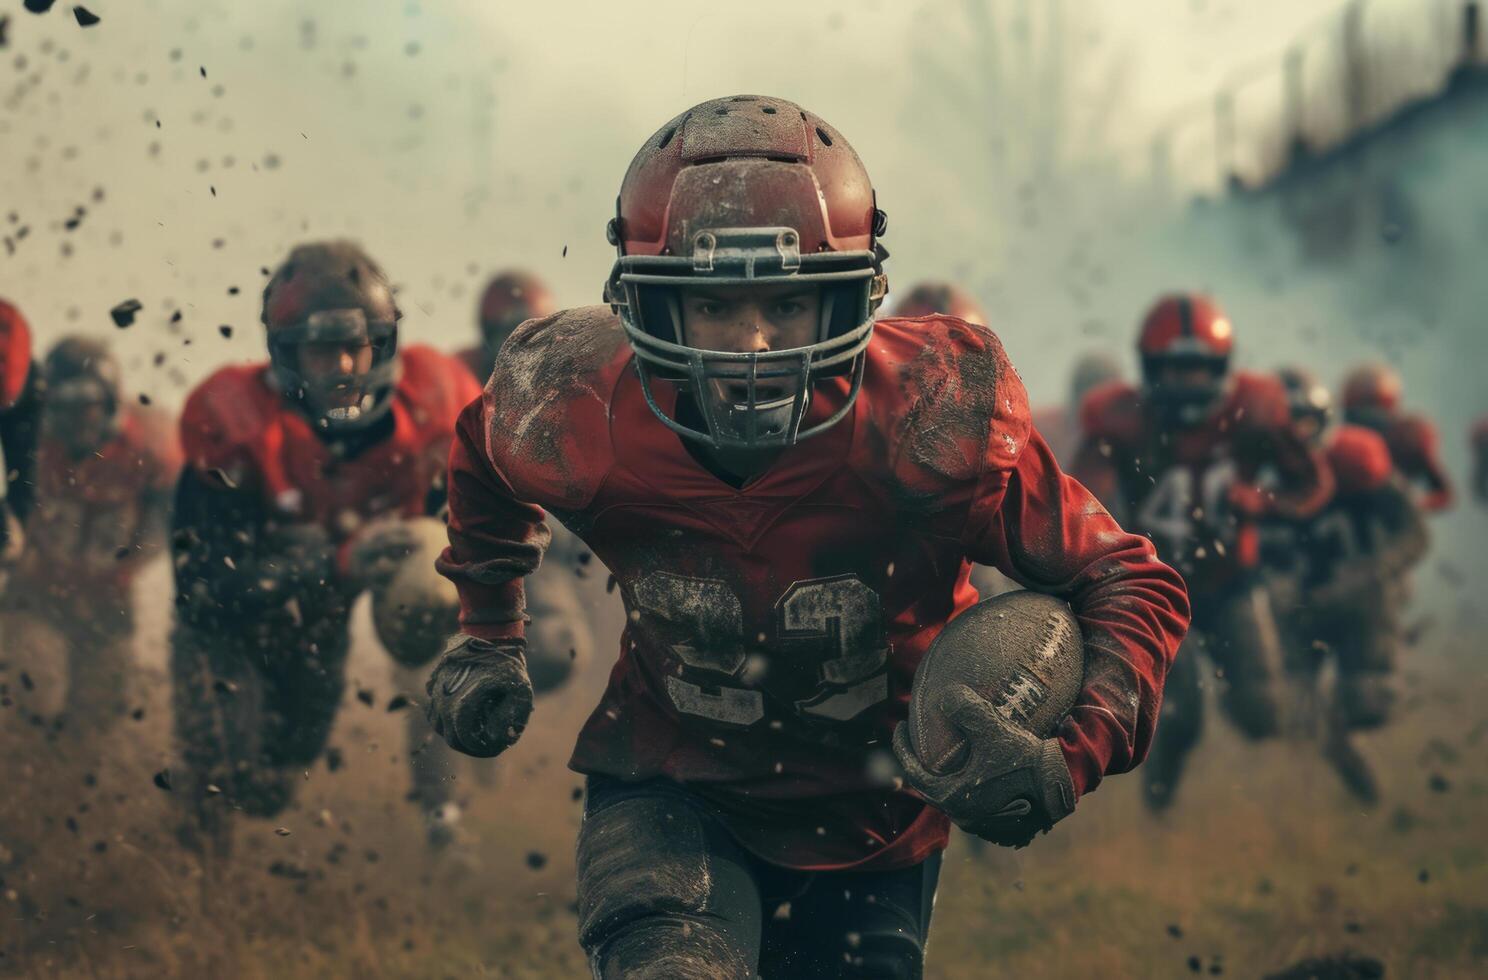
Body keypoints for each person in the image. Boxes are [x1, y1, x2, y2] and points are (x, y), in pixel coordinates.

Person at [427, 95, 1189, 978]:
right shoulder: (579, 401)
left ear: (845, 300)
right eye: (715, 306)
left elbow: (1130, 579)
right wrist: (488, 635)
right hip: (671, 783)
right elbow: (482, 452)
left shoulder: (928, 420)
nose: (752, 344)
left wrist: (1073, 753)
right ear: (653, 307)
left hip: (875, 824)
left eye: (787, 304)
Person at [169, 241, 481, 855]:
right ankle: (187, 885)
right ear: (286, 354)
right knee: (225, 770)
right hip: (235, 626)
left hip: (318, 624)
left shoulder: (435, 404)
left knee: (272, 788)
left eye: (357, 343)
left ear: (385, 342)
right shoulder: (236, 422)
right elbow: (201, 592)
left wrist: (451, 572)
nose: (344, 365)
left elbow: (492, 519)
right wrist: (331, 561)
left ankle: (444, 811)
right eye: (321, 348)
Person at [1073, 293, 1331, 811]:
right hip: (1160, 588)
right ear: (1149, 367)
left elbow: (1312, 484)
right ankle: (1160, 806)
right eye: (1175, 369)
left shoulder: (1256, 407)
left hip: (1232, 579)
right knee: (1180, 712)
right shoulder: (1120, 417)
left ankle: (1277, 787)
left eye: (1198, 370)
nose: (1187, 383)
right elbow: (1079, 504)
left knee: (1263, 713)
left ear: (1221, 367)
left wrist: (1264, 501)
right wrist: (1106, 549)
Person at [1265, 367, 1427, 802]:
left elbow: (1413, 533)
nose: (1296, 436)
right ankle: (1315, 805)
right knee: (1294, 720)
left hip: (1363, 607)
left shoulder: (1357, 465)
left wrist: (1378, 570)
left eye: (1304, 422)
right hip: (1301, 611)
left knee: (1368, 700)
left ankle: (1375, 787)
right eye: (1284, 427)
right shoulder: (1252, 483)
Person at [3, 338, 180, 736]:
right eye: (64, 402)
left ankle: (61, 789)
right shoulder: (27, 437)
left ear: (111, 400)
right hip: (35, 591)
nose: (78, 417)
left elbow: (170, 518)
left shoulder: (150, 443)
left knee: (99, 720)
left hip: (107, 598)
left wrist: (131, 562)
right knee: (33, 690)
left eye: (88, 400)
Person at [1341, 362, 1453, 513]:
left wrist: (1412, 504)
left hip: (1389, 520)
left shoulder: (1409, 435)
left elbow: (1443, 492)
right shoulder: (1338, 436)